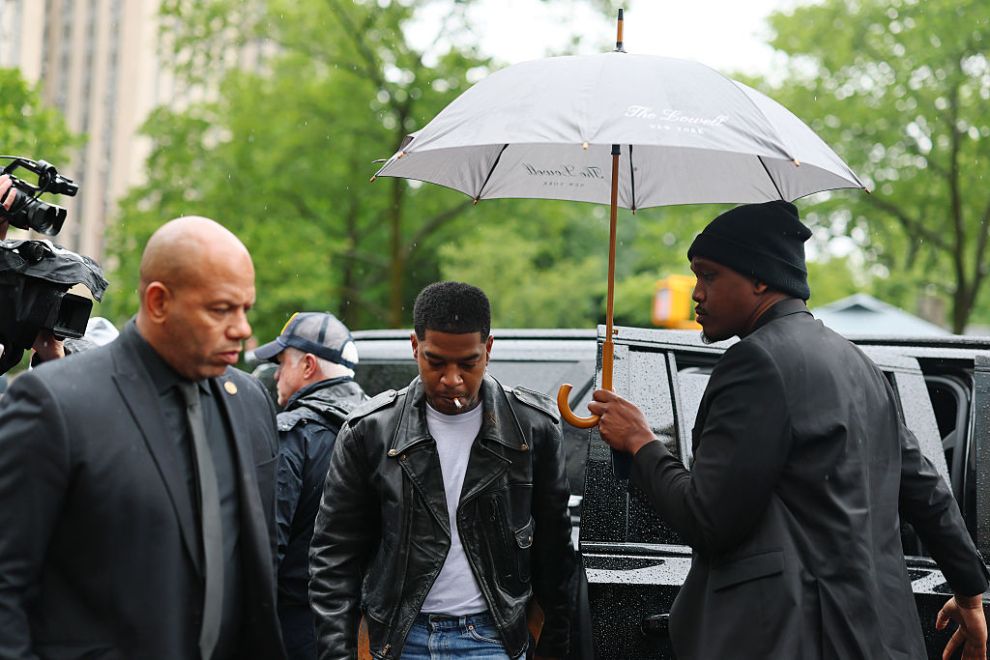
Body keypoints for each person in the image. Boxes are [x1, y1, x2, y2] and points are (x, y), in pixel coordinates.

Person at [588, 200, 989, 660]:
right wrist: (969, 592)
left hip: (789, 640)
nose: (696, 293)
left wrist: (640, 441)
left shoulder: (755, 363)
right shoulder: (858, 363)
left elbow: (708, 520)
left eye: (710, 275)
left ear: (761, 278)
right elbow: (925, 489)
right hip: (880, 639)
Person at [0, 216, 286, 659]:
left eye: (245, 309)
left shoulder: (248, 399)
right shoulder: (57, 403)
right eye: (221, 309)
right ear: (158, 302)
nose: (243, 329)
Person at [309, 281, 576, 660]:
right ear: (415, 347)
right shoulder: (369, 430)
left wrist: (548, 646)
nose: (452, 379)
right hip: (398, 640)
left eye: (468, 363)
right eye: (435, 362)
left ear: (489, 349)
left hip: (493, 640)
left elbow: (555, 557)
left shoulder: (532, 429)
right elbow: (334, 558)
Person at [253, 312, 368, 659]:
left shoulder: (292, 434)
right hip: (365, 630)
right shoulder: (382, 428)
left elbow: (268, 544)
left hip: (298, 627)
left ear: (307, 365)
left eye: (281, 362)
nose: (275, 374)